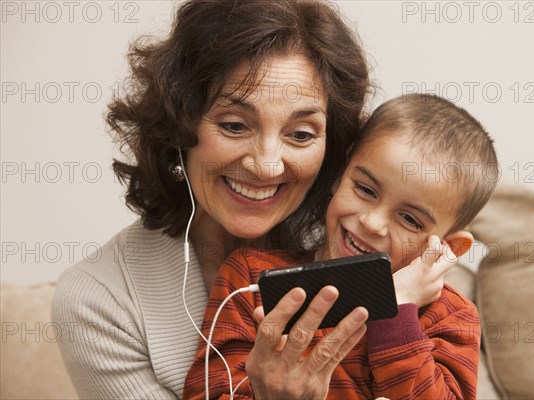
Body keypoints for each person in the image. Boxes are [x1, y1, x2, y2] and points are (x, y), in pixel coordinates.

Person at [51, 0, 373, 398]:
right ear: (178, 127)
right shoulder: (99, 301)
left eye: (301, 134)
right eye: (235, 125)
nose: (267, 166)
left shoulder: (357, 243)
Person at [183, 93, 499, 399]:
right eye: (364, 189)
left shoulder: (450, 317)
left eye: (410, 219)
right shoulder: (251, 278)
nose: (372, 223)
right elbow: (208, 393)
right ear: (339, 175)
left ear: (449, 247)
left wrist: (397, 308)